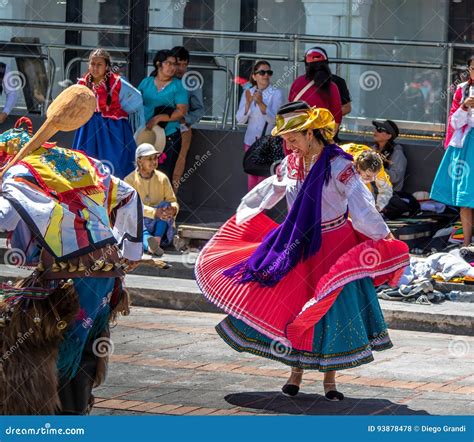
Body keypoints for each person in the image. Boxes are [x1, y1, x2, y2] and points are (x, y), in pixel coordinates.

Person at [195, 102, 409, 400]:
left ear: (311, 133)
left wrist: (384, 236)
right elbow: (271, 189)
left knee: (330, 310)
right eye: (286, 138)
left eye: (293, 136)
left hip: (334, 245)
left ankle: (329, 381)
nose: (288, 143)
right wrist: (245, 214)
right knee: (292, 306)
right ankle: (295, 373)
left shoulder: (340, 166)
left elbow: (361, 209)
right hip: (297, 244)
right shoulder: (291, 163)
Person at [0, 116, 142, 415]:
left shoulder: (20, 171)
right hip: (107, 270)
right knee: (87, 343)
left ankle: (54, 416)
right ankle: (74, 413)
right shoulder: (81, 161)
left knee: (49, 343)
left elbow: (5, 217)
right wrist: (131, 250)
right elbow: (129, 195)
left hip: (69, 272)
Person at [72, 48, 143, 179]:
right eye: (92, 64)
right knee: (86, 163)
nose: (95, 68)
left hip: (113, 129)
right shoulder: (82, 84)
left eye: (99, 64)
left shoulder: (118, 82)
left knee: (115, 165)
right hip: (88, 128)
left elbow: (137, 99)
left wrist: (124, 112)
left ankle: (117, 195)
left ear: (107, 66)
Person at [431, 55, 474, 247]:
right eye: (473, 68)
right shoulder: (462, 89)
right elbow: (454, 122)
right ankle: (466, 243)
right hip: (465, 146)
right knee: (465, 197)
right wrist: (464, 106)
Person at [138, 49, 188, 182]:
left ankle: (164, 203)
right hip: (146, 135)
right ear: (158, 64)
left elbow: (181, 111)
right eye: (168, 63)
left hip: (169, 136)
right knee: (143, 173)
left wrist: (158, 118)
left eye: (174, 64)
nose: (172, 67)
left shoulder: (178, 86)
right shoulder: (146, 82)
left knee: (164, 176)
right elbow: (135, 104)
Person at [236, 60, 283, 190]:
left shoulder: (276, 93)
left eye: (269, 72)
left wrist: (261, 104)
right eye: (262, 72)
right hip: (250, 141)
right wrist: (247, 104)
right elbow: (240, 120)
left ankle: (262, 210)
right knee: (251, 178)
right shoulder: (248, 92)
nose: (266, 75)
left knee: (264, 180)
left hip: (268, 142)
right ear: (254, 76)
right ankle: (252, 210)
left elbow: (275, 121)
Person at [125, 143, 179, 257]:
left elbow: (172, 200)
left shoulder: (162, 178)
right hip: (140, 219)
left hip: (160, 222)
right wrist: (153, 212)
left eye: (155, 158)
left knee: (165, 205)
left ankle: (157, 239)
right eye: (149, 159)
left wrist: (173, 209)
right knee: (137, 225)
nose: (154, 161)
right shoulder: (129, 180)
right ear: (139, 161)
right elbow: (131, 206)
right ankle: (150, 246)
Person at [171, 46, 205, 192]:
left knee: (177, 168)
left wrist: (185, 118)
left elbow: (200, 109)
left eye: (185, 65)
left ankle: (172, 205)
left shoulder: (191, 82)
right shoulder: (160, 78)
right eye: (178, 64)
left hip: (182, 128)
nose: (181, 68)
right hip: (160, 127)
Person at [288, 48, 342, 128]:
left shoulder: (297, 82)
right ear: (326, 64)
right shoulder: (332, 87)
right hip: (318, 135)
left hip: (297, 132)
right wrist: (328, 138)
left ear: (307, 65)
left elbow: (290, 107)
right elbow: (336, 118)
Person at [341, 143, 393, 212]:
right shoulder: (342, 162)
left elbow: (386, 189)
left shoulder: (377, 167)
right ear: (358, 169)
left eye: (375, 176)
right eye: (368, 176)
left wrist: (378, 207)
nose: (372, 179)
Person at [372, 119, 407, 192]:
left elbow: (395, 178)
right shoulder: (372, 150)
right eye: (376, 128)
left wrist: (375, 169)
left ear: (389, 136)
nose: (375, 131)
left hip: (387, 195)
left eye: (380, 130)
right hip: (370, 192)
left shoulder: (397, 153)